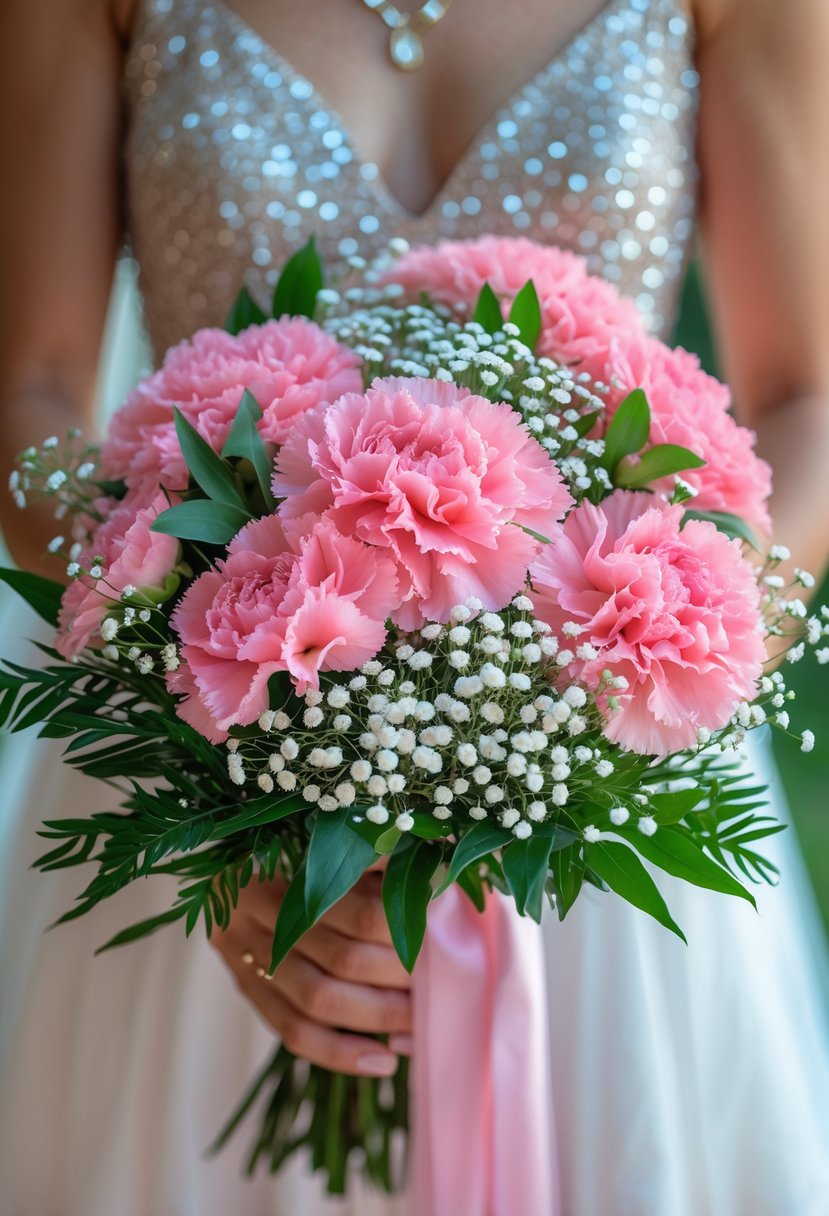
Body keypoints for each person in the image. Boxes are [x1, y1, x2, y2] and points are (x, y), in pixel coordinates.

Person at [1, 0, 828, 1212]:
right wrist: (228, 824)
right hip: (205, 757)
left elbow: (804, 392)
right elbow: (30, 382)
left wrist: (634, 666)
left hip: (603, 803)